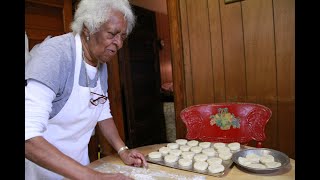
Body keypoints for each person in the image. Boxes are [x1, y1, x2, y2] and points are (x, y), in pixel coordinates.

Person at [25, 0, 148, 179]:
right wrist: (95, 177)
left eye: (122, 36)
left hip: (81, 170)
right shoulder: (55, 56)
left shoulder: (99, 60)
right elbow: (28, 137)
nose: (119, 43)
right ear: (87, 28)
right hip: (42, 173)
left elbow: (102, 111)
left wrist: (123, 150)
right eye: (112, 34)